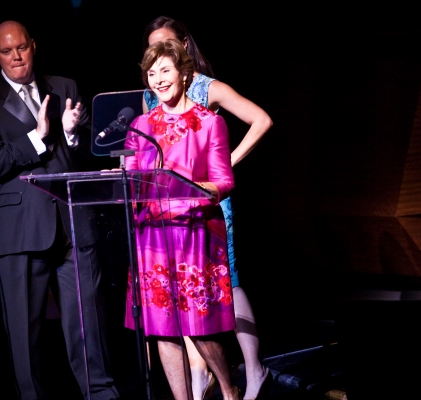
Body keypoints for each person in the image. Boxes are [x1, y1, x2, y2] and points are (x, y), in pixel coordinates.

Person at [0, 20, 119, 400]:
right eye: (7, 51)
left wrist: (70, 132)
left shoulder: (64, 87)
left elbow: (87, 155)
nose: (16, 56)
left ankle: (101, 394)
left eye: (22, 47)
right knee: (25, 335)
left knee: (87, 325)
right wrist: (39, 135)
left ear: (33, 45)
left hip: (71, 224)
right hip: (19, 230)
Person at [141, 16, 274, 400]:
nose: (159, 59)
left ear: (183, 45)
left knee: (224, 284)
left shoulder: (205, 87)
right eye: (153, 51)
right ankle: (200, 381)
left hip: (208, 201)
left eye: (167, 46)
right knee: (178, 297)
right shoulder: (150, 94)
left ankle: (253, 368)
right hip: (167, 213)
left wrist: (224, 163)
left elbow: (260, 119)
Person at [123, 38, 241, 400]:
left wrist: (189, 186)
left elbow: (225, 182)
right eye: (151, 73)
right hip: (152, 236)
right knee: (162, 329)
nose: (157, 79)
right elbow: (129, 180)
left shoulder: (209, 123)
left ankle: (228, 388)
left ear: (184, 74)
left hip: (194, 234)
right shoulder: (140, 126)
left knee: (199, 327)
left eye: (165, 70)